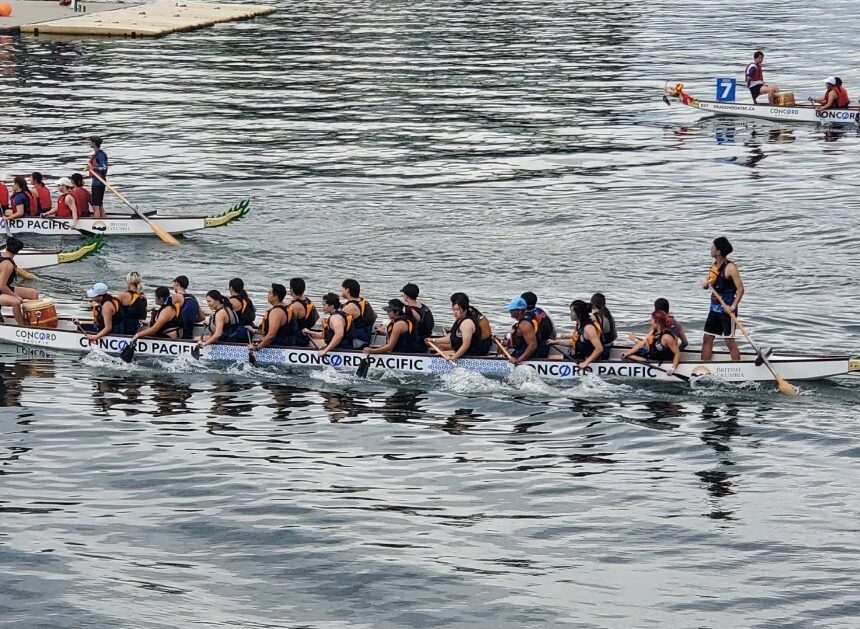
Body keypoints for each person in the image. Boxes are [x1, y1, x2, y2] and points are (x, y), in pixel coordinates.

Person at [701, 236, 744, 361]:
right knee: (707, 338)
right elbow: (708, 284)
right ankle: (704, 366)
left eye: (713, 247)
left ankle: (737, 368)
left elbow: (741, 290)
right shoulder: (714, 266)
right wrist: (706, 285)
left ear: (718, 251)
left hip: (728, 309)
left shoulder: (730, 268)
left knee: (729, 341)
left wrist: (733, 306)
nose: (711, 249)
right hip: (714, 308)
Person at [425, 292, 492, 359]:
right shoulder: (461, 318)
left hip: (472, 352)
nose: (455, 313)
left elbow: (466, 345)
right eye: (454, 310)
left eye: (457, 310)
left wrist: (453, 357)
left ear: (464, 310)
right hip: (466, 348)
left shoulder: (467, 323)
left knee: (438, 354)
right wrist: (433, 340)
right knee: (439, 346)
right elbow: (452, 337)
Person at [548, 300, 606, 370]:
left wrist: (586, 363)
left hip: (584, 359)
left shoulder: (588, 328)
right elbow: (574, 342)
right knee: (549, 357)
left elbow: (599, 348)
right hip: (578, 355)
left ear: (579, 314)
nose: (570, 314)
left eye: (572, 311)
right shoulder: (580, 325)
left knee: (550, 358)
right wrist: (555, 342)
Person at [622, 310, 682, 375]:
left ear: (657, 322)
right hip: (652, 354)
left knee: (629, 356)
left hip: (659, 359)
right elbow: (642, 344)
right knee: (627, 355)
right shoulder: (653, 331)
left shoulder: (666, 337)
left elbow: (677, 353)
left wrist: (673, 368)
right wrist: (628, 353)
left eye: (651, 320)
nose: (650, 323)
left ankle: (647, 361)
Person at [251, 283, 301, 350]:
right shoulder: (286, 307)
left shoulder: (276, 312)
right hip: (289, 343)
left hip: (279, 347)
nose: (267, 295)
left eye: (269, 293)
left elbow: (271, 335)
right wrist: (254, 330)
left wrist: (256, 348)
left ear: (276, 297)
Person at [0, 237, 38, 324]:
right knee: (16, 301)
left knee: (33, 293)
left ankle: (33, 319)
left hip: (4, 289)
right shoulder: (7, 265)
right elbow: (1, 286)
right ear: (17, 251)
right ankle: (22, 325)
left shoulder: (2, 255)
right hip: (1, 290)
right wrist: (15, 296)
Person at [305, 292, 353, 357]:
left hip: (342, 350)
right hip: (341, 347)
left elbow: (339, 335)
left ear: (331, 306)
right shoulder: (338, 315)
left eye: (324, 305)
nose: (323, 308)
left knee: (307, 343)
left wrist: (325, 351)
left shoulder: (335, 318)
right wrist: (309, 332)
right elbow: (324, 335)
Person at [504, 296, 548, 364]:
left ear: (520, 311)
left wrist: (518, 360)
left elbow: (532, 346)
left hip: (531, 355)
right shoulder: (523, 321)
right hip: (521, 350)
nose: (510, 311)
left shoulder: (525, 325)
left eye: (512, 310)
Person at [341, 279, 377, 348]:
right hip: (365, 339)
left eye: (342, 289)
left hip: (355, 341)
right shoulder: (364, 302)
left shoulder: (349, 307)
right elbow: (374, 316)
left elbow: (339, 328)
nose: (341, 291)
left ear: (347, 290)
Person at [172, 275, 204, 339]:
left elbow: (167, 313)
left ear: (177, 284)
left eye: (173, 284)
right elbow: (202, 317)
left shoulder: (176, 297)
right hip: (189, 333)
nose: (172, 286)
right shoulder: (192, 297)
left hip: (179, 334)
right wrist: (190, 321)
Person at [87, 136, 108, 218]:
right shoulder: (96, 154)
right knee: (99, 204)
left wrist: (93, 168)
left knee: (96, 205)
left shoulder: (100, 155)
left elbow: (103, 168)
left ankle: (97, 223)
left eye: (90, 142)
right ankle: (103, 220)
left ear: (94, 143)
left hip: (99, 183)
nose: (89, 143)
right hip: (97, 182)